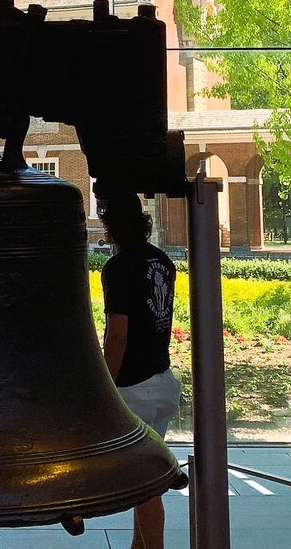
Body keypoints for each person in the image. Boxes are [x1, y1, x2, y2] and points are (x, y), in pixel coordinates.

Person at [99, 194, 181, 549]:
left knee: (145, 488)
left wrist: (103, 387)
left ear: (110, 227)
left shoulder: (117, 269)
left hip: (134, 391)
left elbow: (117, 335)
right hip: (161, 379)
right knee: (141, 482)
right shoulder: (161, 261)